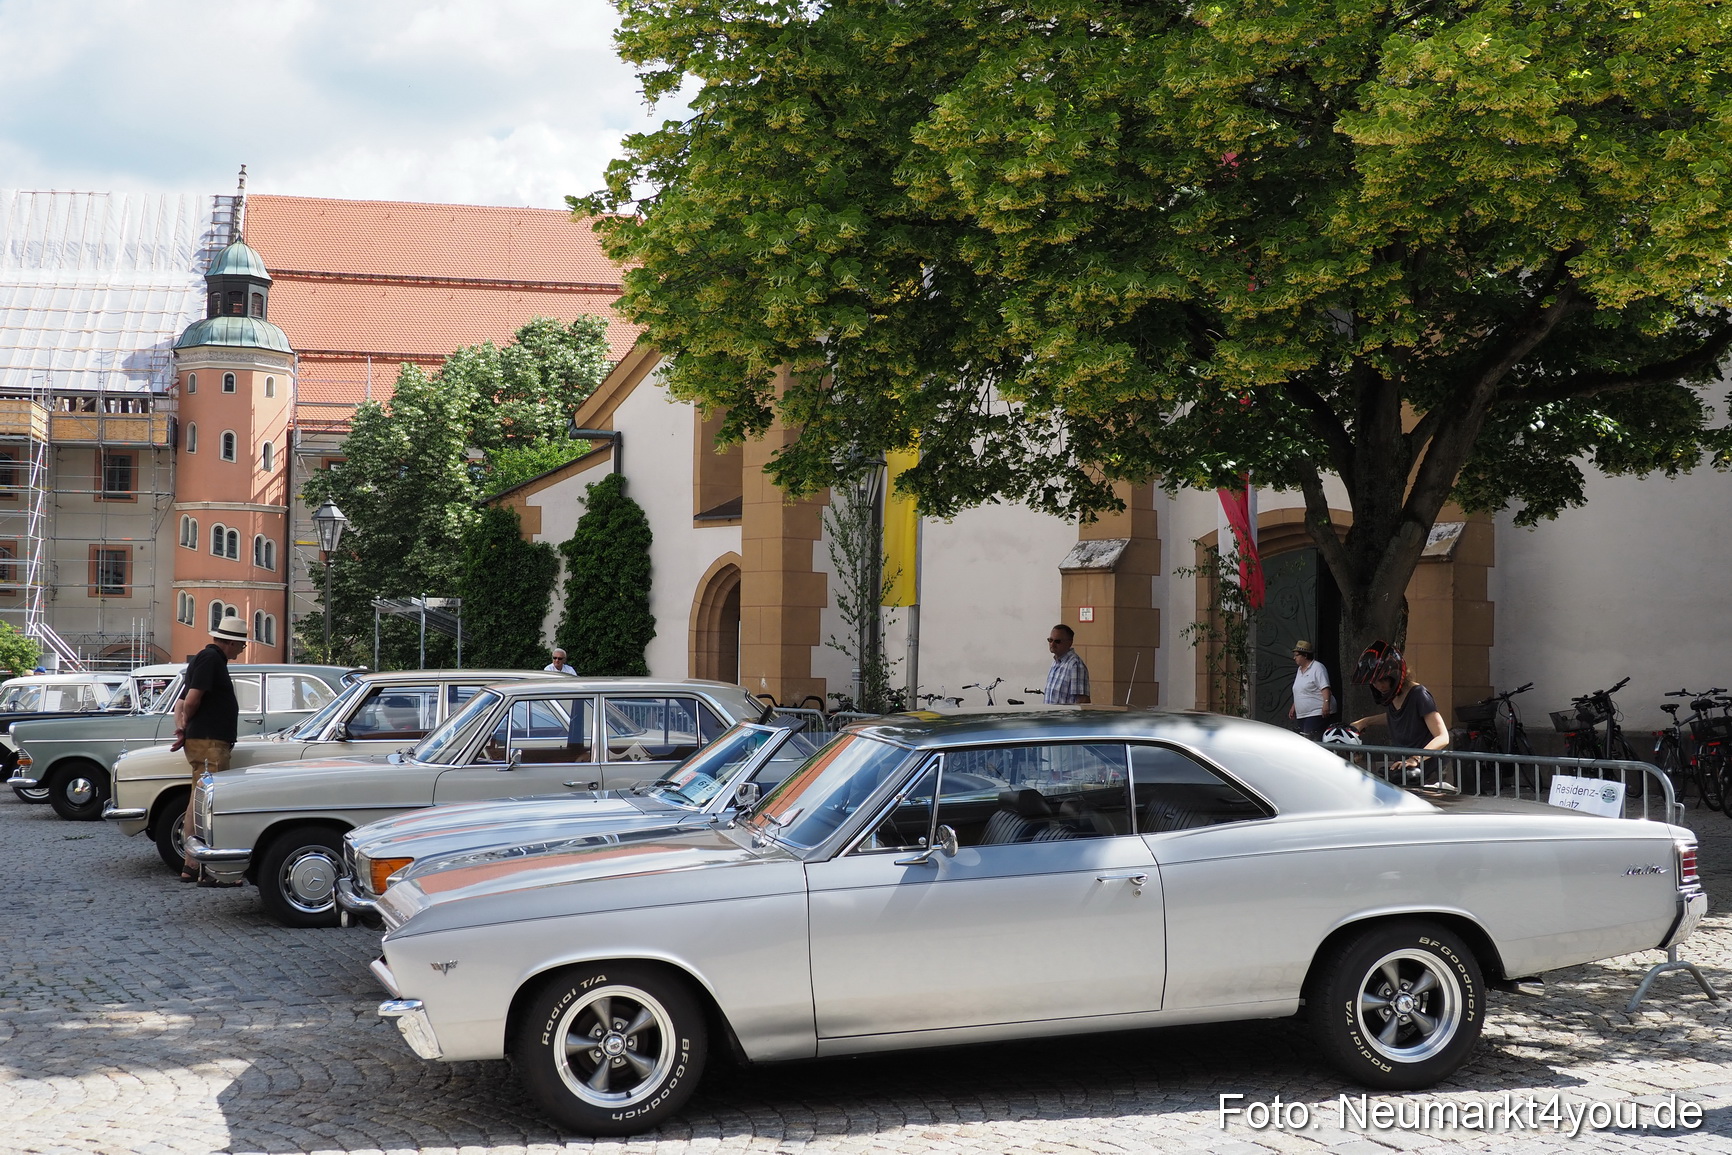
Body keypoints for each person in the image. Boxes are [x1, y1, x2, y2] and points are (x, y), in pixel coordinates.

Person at [172, 613, 248, 883]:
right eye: (242, 643)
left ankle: (193, 865)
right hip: (210, 741)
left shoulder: (207, 659)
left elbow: (180, 702)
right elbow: (190, 700)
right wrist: (187, 725)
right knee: (211, 804)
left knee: (198, 800)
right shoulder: (211, 659)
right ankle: (211, 870)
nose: (244, 647)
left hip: (204, 739)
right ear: (230, 642)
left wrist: (183, 728)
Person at [1350, 642, 1452, 790]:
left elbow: (1442, 737)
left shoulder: (1419, 695)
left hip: (1428, 770)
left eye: (1382, 680)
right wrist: (1366, 722)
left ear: (1394, 676)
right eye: (1374, 682)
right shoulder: (1393, 696)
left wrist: (1415, 758)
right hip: (1405, 767)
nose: (1378, 686)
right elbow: (1398, 716)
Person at [1286, 640, 1332, 739]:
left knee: (1311, 739)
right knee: (1304, 738)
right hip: (1302, 714)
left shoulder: (1317, 668)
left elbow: (1325, 687)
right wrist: (1294, 706)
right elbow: (1300, 690)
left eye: (1297, 655)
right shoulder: (1299, 670)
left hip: (1316, 712)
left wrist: (1326, 703)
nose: (1294, 658)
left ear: (1305, 655)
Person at [1043, 624, 1091, 704]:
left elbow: (1083, 701)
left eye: (1057, 641)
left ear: (1069, 643)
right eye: (1050, 640)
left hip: (1065, 716)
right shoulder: (1055, 663)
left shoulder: (1075, 665)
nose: (1052, 644)